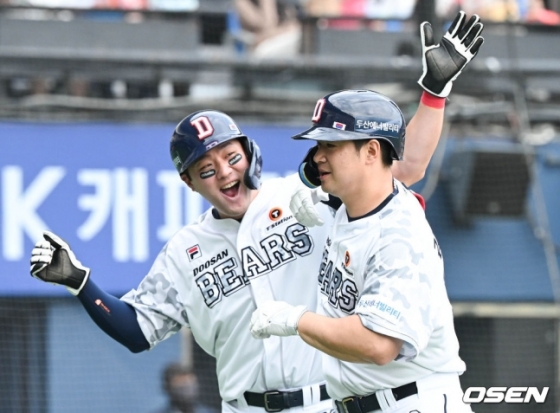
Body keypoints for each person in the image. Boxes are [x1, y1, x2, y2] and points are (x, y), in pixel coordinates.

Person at [28, 11, 482, 413]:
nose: (225, 172)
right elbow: (136, 330)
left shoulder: (308, 197)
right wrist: (81, 283)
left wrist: (433, 93)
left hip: (327, 401)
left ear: (250, 153)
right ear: (189, 183)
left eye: (231, 157)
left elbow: (399, 167)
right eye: (206, 169)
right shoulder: (185, 251)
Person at [249, 11, 484, 413]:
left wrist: (295, 320)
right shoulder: (355, 198)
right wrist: (433, 92)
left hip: (412, 402)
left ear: (372, 151)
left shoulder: (398, 236)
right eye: (318, 146)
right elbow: (406, 165)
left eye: (331, 145)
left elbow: (378, 346)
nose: (318, 156)